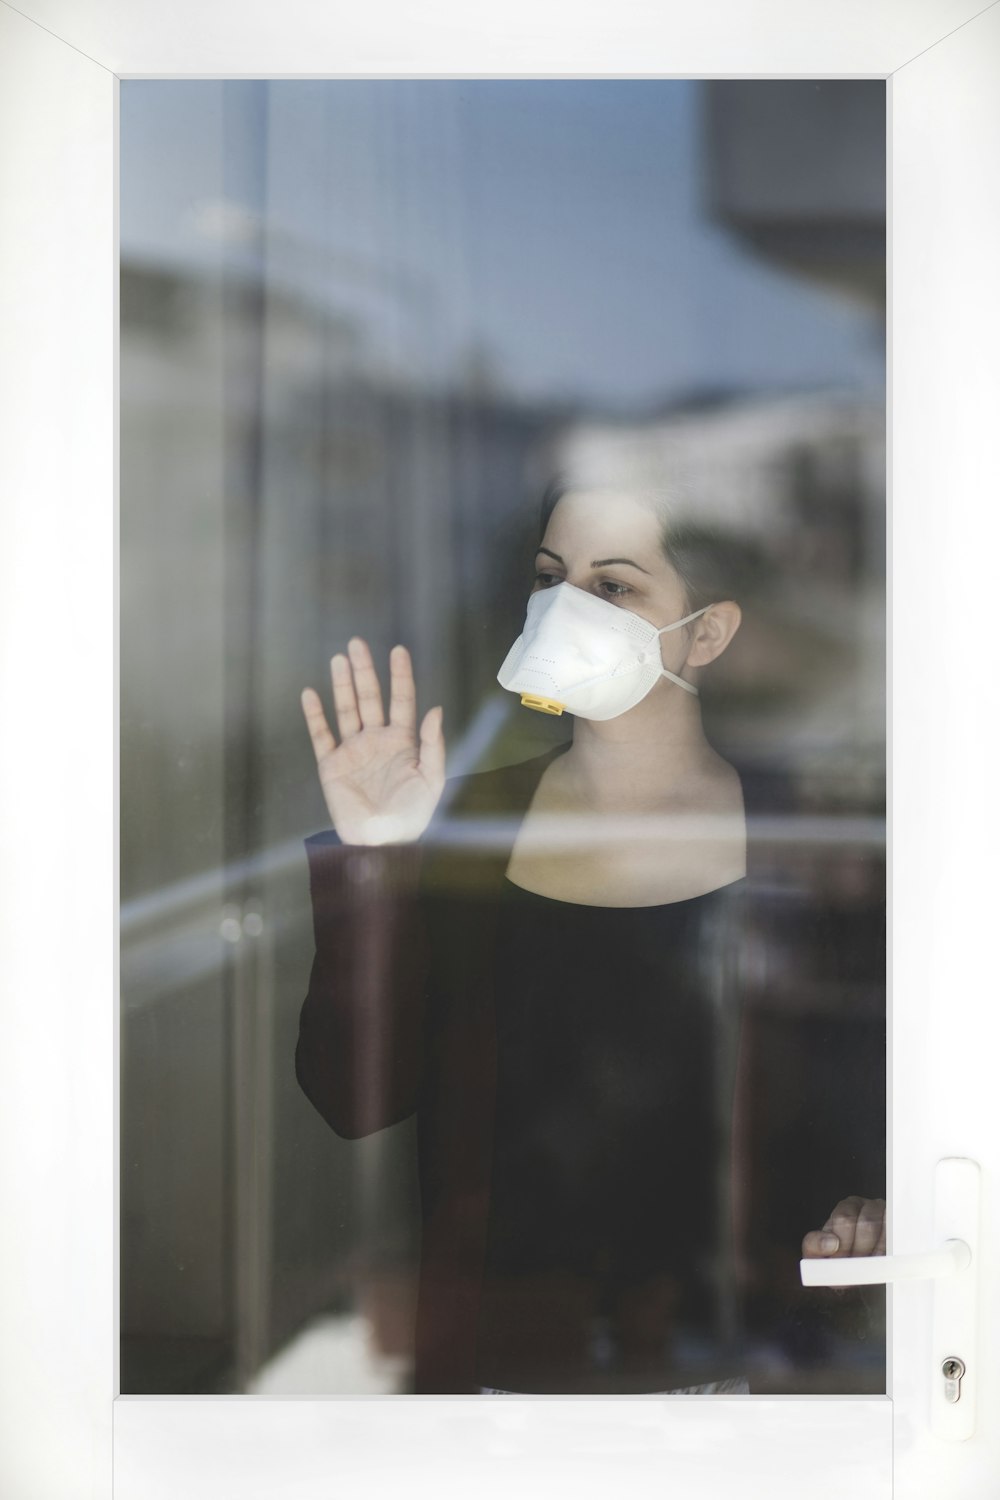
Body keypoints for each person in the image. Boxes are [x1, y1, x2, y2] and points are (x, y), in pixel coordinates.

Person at [296, 476, 885, 1395]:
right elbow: (350, 1097)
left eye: (613, 587)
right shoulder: (474, 824)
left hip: (743, 1388)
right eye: (549, 576)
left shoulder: (804, 844)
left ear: (709, 632)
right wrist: (377, 858)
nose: (565, 609)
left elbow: (855, 1137)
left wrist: (862, 1227)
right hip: (504, 1394)